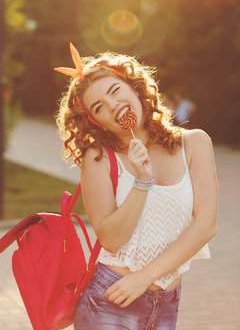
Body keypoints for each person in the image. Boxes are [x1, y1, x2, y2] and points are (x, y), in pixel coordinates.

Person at [55, 43, 218, 330]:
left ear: (134, 87)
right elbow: (111, 239)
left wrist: (144, 277)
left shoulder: (194, 143)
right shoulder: (99, 159)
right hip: (111, 301)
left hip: (167, 303)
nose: (112, 104)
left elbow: (205, 226)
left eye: (114, 91)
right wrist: (141, 182)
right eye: (99, 107)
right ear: (98, 122)